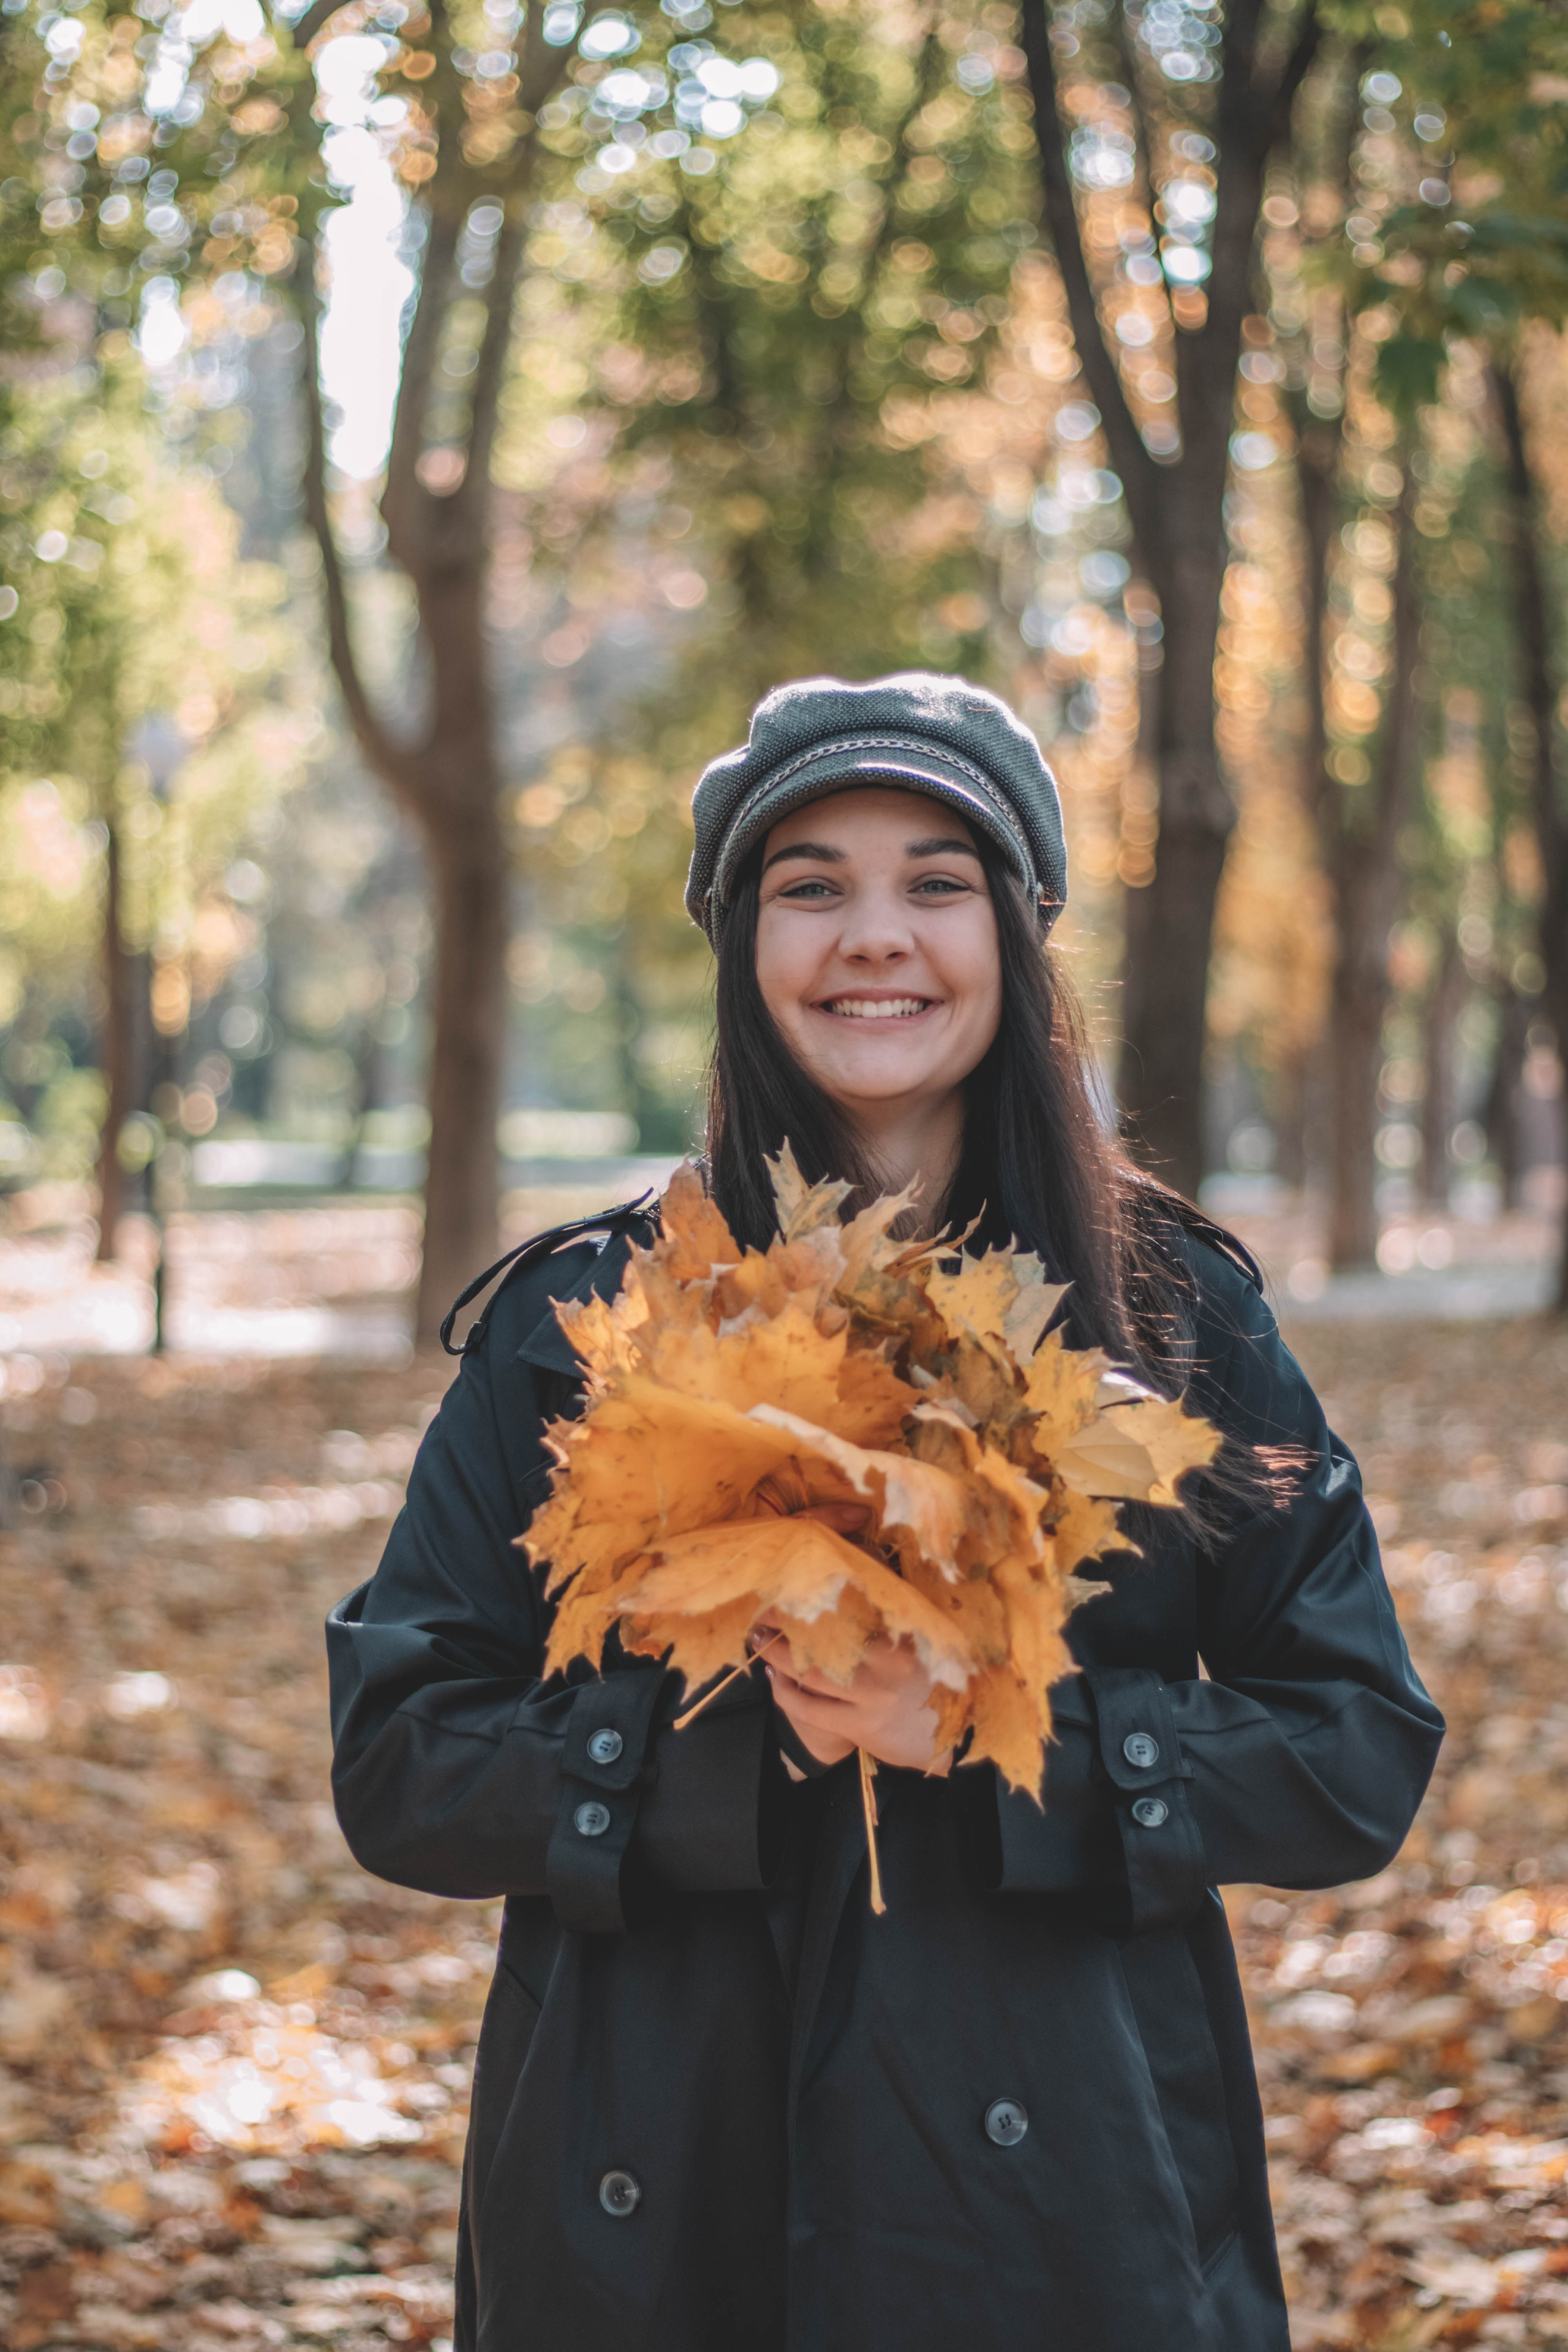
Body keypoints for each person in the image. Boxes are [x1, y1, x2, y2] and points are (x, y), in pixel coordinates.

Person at [327, 674, 1443, 2352]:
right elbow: (402, 1749)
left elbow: (1356, 1744)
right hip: (652, 2204)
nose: (876, 936)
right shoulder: (583, 1324)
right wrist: (717, 1750)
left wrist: (1008, 1733)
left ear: (1013, 935)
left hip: (1062, 2210)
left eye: (935, 881)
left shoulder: (1174, 1319)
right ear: (742, 944)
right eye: (811, 885)